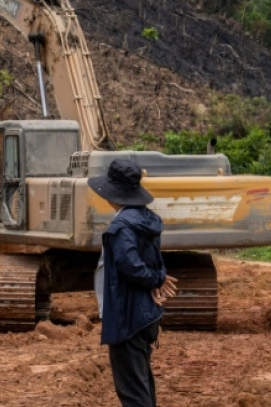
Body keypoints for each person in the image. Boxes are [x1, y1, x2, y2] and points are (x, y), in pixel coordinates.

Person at [89, 159, 176, 407]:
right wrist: (156, 278)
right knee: (142, 383)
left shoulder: (120, 227)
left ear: (113, 194)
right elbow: (154, 260)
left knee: (132, 392)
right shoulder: (147, 219)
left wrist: (156, 279)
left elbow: (130, 265)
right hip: (145, 315)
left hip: (128, 317)